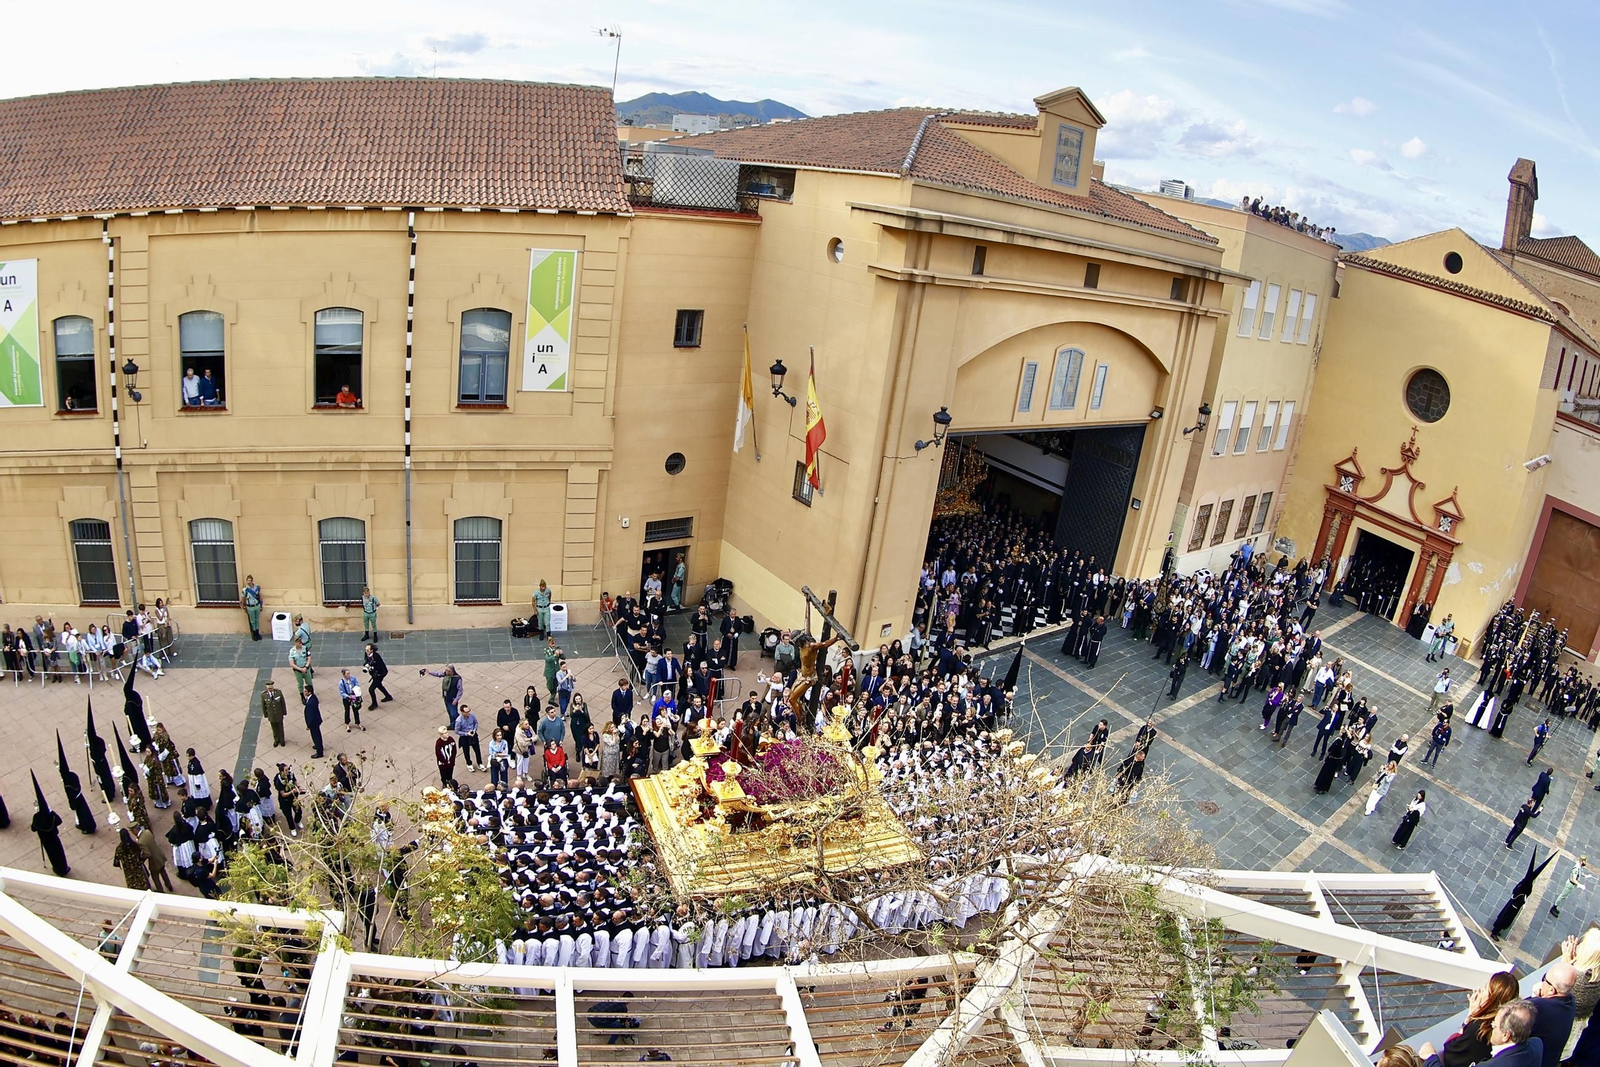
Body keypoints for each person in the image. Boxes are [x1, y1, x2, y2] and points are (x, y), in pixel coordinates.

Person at [1416, 971, 1518, 1066]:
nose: (1479, 991)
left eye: (1485, 989)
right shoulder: (1511, 1025)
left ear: (1491, 998)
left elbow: (1451, 1051)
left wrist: (1471, 1016)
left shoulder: (1479, 1028)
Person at [1526, 963, 1577, 1067]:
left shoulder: (1536, 1007)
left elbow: (1514, 1010)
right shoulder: (1571, 1002)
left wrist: (1534, 997)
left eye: (1544, 979)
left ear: (1551, 990)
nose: (1542, 982)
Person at [29, 773, 69, 877]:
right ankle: (64, 868)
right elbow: (59, 821)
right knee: (60, 854)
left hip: (46, 841)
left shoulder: (37, 818)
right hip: (54, 839)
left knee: (52, 856)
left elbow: (33, 829)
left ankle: (57, 868)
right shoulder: (51, 816)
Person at [261, 680, 288, 747]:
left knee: (280, 727)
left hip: (279, 713)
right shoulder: (264, 695)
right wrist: (266, 715)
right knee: (274, 728)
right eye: (269, 688)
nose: (270, 689)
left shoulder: (278, 693)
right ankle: (276, 739)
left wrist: (284, 712)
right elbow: (263, 706)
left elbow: (282, 703)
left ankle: (282, 740)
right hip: (271, 714)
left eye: (271, 688)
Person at [456, 705, 483, 771]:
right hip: (465, 737)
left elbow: (476, 723)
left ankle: (480, 763)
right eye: (466, 712)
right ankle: (469, 764)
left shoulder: (472, 716)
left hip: (473, 734)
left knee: (477, 749)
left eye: (469, 711)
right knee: (466, 751)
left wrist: (474, 730)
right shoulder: (459, 721)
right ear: (462, 712)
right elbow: (457, 731)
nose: (468, 713)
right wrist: (466, 734)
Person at [303, 687, 325, 758]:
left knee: (316, 736)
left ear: (310, 692)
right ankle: (319, 746)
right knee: (317, 735)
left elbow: (310, 715)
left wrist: (309, 725)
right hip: (316, 720)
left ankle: (319, 752)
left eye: (306, 691)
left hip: (314, 722)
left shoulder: (311, 703)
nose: (304, 692)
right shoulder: (313, 698)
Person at [240, 575, 264, 640]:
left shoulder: (257, 587)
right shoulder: (245, 589)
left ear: (252, 580)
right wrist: (243, 606)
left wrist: (261, 605)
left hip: (257, 605)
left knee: (257, 619)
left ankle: (257, 632)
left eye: (249, 580)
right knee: (252, 621)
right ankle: (254, 633)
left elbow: (260, 596)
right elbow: (243, 598)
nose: (248, 581)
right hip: (250, 606)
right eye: (247, 580)